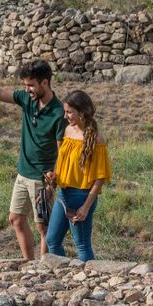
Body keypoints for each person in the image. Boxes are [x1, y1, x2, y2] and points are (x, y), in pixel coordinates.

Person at [0, 59, 66, 261]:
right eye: (25, 85)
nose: (27, 89)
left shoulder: (58, 113)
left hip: (42, 178)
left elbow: (62, 151)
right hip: (23, 173)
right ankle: (29, 263)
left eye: (31, 85)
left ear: (45, 83)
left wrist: (52, 181)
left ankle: (44, 267)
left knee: (43, 226)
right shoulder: (27, 99)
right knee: (16, 219)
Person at [44, 90, 111, 263]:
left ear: (81, 112)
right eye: (65, 112)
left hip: (82, 196)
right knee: (52, 240)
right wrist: (54, 175)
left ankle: (89, 276)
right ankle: (62, 273)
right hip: (64, 193)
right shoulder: (67, 130)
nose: (65, 116)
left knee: (82, 245)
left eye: (69, 112)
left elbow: (100, 178)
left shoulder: (96, 139)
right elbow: (62, 160)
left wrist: (86, 207)